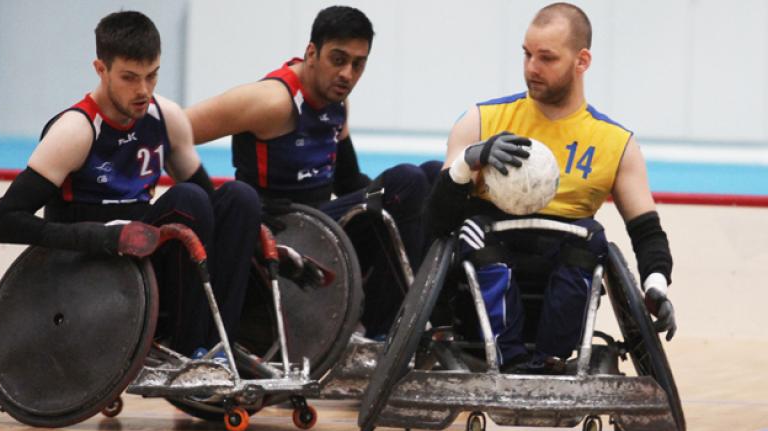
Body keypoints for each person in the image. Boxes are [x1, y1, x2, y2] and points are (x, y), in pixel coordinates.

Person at [0, 11, 261, 357]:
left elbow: (214, 206)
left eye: (152, 76)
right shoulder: (76, 130)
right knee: (187, 200)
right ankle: (191, 347)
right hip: (91, 265)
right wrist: (101, 236)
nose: (143, 90)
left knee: (240, 198)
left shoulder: (166, 117)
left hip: (144, 254)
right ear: (101, 69)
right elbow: (4, 221)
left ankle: (220, 344)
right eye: (130, 78)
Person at [427, 2, 677, 373]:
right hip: (488, 257)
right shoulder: (481, 120)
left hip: (566, 260)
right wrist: (471, 159)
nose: (531, 68)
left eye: (546, 58)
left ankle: (550, 358)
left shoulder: (616, 143)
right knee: (473, 229)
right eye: (527, 54)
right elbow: (434, 222)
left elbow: (646, 230)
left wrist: (656, 285)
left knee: (595, 236)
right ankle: (508, 357)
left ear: (582, 61)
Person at [186, 5, 440, 339]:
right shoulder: (271, 101)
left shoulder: (338, 101)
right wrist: (222, 204)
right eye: (338, 59)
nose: (347, 74)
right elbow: (166, 132)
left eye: (358, 64)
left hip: (325, 226)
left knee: (433, 175)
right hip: (283, 232)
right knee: (407, 180)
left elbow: (351, 181)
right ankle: (385, 332)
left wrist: (396, 202)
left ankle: (419, 313)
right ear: (311, 53)